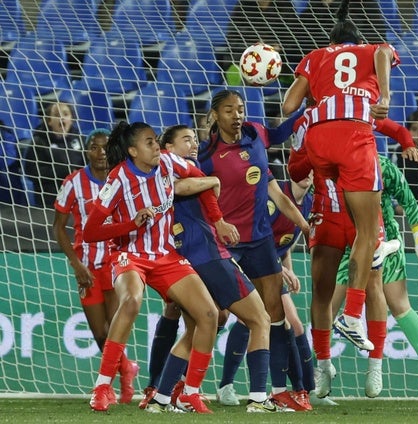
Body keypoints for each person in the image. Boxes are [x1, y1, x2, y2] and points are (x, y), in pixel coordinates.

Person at [83, 121, 239, 413]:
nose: (156, 147)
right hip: (131, 255)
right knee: (131, 301)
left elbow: (203, 181)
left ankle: (189, 392)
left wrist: (217, 219)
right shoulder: (118, 179)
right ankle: (102, 386)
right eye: (149, 142)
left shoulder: (169, 162)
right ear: (132, 151)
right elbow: (90, 231)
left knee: (210, 314)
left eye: (156, 140)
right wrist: (131, 224)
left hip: (165, 255)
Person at [282, 0, 400, 354]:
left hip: (319, 141)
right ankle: (351, 314)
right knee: (368, 231)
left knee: (341, 202)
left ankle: (374, 251)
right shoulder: (370, 49)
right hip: (353, 136)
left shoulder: (314, 56)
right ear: (356, 39)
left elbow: (289, 107)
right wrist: (385, 92)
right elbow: (382, 49)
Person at [142, 124, 282, 413]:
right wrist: (212, 181)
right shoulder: (170, 171)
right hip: (207, 254)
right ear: (167, 148)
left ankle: (162, 397)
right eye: (185, 140)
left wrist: (210, 187)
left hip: (188, 255)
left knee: (194, 330)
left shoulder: (180, 171)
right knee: (259, 319)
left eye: (195, 139)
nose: (193, 144)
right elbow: (177, 188)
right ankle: (258, 398)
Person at [286, 113, 416, 401]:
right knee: (322, 291)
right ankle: (323, 365)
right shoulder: (306, 122)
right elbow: (295, 170)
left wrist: (407, 141)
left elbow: (392, 126)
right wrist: (315, 150)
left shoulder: (355, 108)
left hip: (364, 212)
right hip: (326, 212)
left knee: (373, 285)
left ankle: (375, 366)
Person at [197, 89, 311, 411]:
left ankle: (272, 391)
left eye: (241, 109)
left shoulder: (256, 135)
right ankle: (184, 386)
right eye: (230, 110)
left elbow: (277, 191)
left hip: (261, 241)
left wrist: (309, 106)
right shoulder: (205, 157)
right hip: (225, 243)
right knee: (214, 316)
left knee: (274, 315)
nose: (238, 115)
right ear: (215, 116)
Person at [331, 153, 418, 398]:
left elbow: (410, 202)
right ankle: (317, 370)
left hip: (385, 237)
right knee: (328, 306)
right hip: (347, 241)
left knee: (399, 304)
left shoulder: (383, 166)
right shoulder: (332, 166)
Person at [52, 129, 139, 405]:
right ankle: (126, 368)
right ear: (87, 151)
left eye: (105, 147)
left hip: (115, 263)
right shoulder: (73, 182)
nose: (100, 152)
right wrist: (76, 264)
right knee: (99, 333)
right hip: (86, 268)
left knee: (113, 327)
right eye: (94, 147)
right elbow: (59, 228)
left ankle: (110, 386)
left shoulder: (123, 179)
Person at [217, 174, 315, 412]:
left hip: (273, 267)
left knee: (291, 323)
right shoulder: (274, 197)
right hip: (250, 259)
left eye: (312, 171)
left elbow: (286, 243)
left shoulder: (309, 202)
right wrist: (280, 269)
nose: (307, 176)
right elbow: (259, 239)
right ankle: (227, 385)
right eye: (302, 170)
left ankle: (305, 390)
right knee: (242, 317)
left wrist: (288, 270)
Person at [24, 101, 86, 207]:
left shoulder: (80, 139)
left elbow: (88, 165)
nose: (62, 118)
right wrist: (65, 171)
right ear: (49, 121)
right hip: (50, 196)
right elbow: (32, 172)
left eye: (66, 114)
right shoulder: (39, 142)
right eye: (57, 115)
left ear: (71, 119)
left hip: (79, 194)